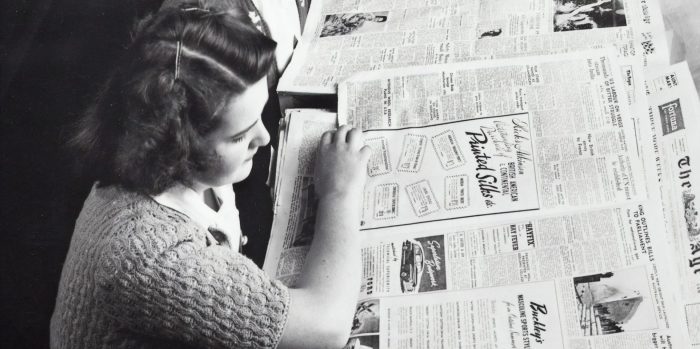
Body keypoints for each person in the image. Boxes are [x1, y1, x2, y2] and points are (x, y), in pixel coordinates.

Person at [50, 3, 371, 349]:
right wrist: (340, 193)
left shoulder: (162, 160)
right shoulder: (146, 255)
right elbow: (325, 327)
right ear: (177, 143)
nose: (263, 139)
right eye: (238, 136)